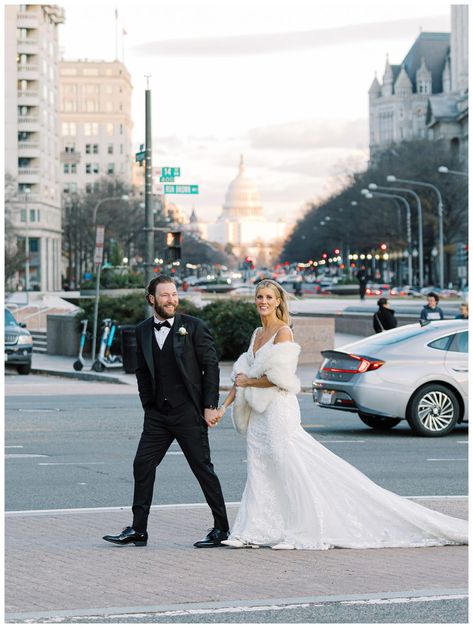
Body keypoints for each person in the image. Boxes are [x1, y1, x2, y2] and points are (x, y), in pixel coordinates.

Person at [216, 279, 467, 550]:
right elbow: (242, 374)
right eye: (259, 297)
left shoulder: (284, 332)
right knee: (259, 469)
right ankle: (254, 530)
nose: (262, 301)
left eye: (268, 297)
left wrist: (249, 383)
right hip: (258, 415)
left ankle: (300, 530)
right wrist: (223, 406)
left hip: (277, 411)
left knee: (288, 468)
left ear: (278, 301)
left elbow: (278, 378)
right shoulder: (257, 334)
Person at [103, 275, 229, 548]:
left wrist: (209, 407)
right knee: (142, 464)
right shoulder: (143, 329)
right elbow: (141, 371)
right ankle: (138, 529)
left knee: (202, 469)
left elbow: (212, 368)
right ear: (152, 299)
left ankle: (221, 529)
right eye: (164, 295)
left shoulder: (194, 327)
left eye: (173, 294)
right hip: (158, 415)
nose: (171, 300)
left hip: (188, 412)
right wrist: (148, 405)